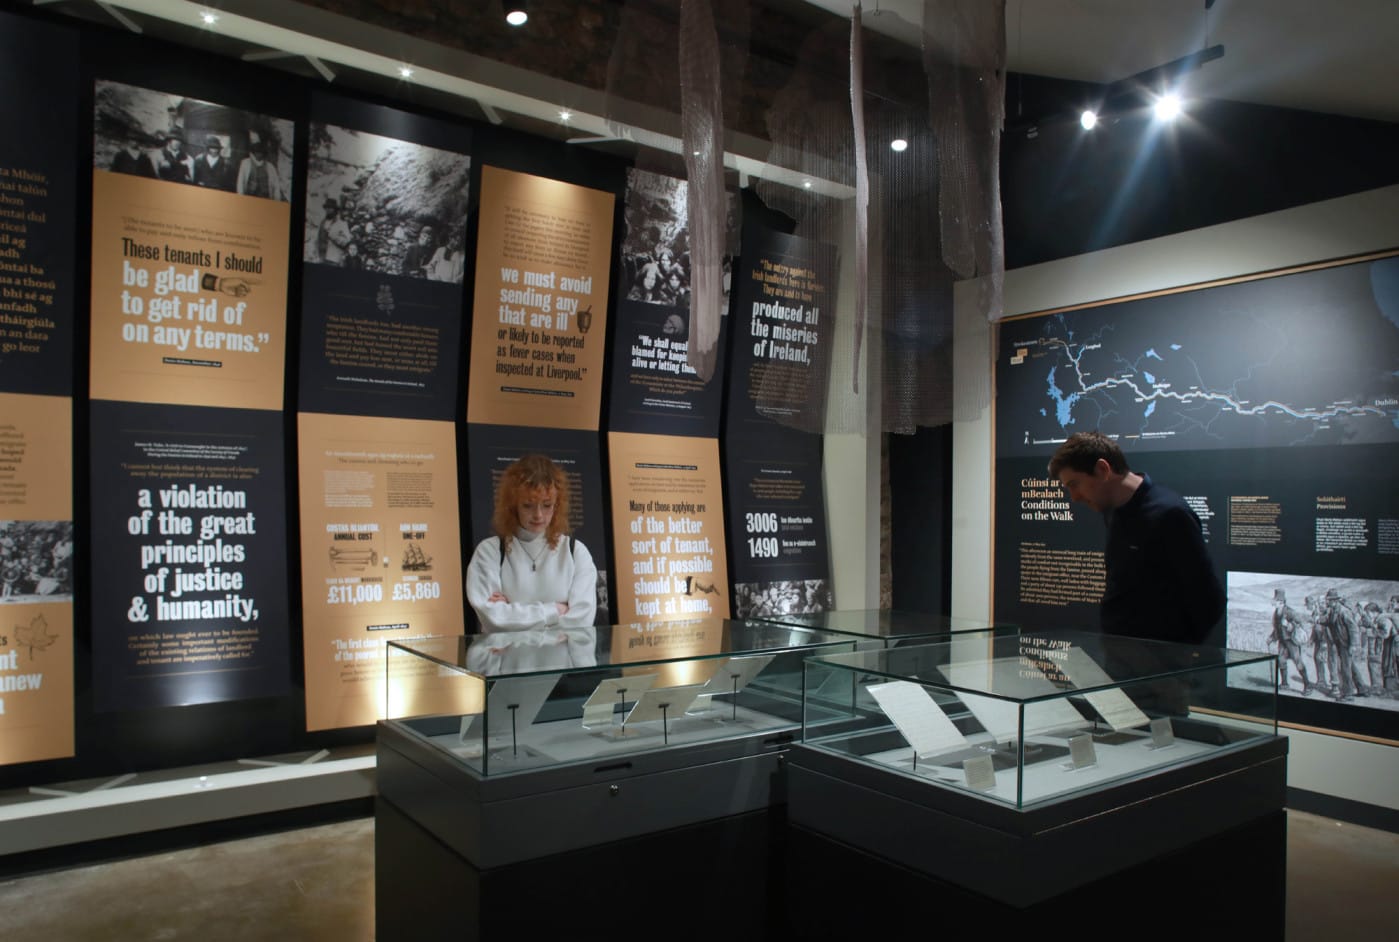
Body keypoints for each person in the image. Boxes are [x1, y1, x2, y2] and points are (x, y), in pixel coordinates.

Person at [1048, 431, 1225, 644]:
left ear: (1103, 470)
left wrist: (1175, 655)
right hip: (1122, 654)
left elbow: (1209, 600)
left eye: (1074, 484)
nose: (1074, 497)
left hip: (1159, 660)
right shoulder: (1113, 511)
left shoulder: (1169, 514)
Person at [465, 455, 597, 671]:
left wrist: (512, 616)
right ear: (513, 505)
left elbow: (581, 623)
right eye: (528, 505)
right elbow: (493, 620)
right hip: (507, 679)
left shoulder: (575, 552)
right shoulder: (490, 552)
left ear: (557, 505)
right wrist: (555, 610)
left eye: (547, 505)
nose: (538, 515)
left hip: (561, 679)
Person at [1269, 589, 1312, 692]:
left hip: (1292, 642)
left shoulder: (1289, 611)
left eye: (1275, 600)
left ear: (1281, 601)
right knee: (1281, 660)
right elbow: (1277, 629)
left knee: (1298, 662)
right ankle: (1284, 684)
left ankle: (1307, 685)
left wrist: (1289, 625)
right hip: (1283, 642)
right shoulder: (1276, 613)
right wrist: (1272, 637)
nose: (1273, 602)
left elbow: (1300, 623)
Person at [317, 199, 352, 265]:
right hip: (322, 258)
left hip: (334, 259)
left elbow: (347, 240)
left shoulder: (341, 222)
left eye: (330, 208)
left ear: (335, 209)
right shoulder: (323, 222)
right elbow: (319, 240)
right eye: (327, 208)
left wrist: (333, 236)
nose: (328, 210)